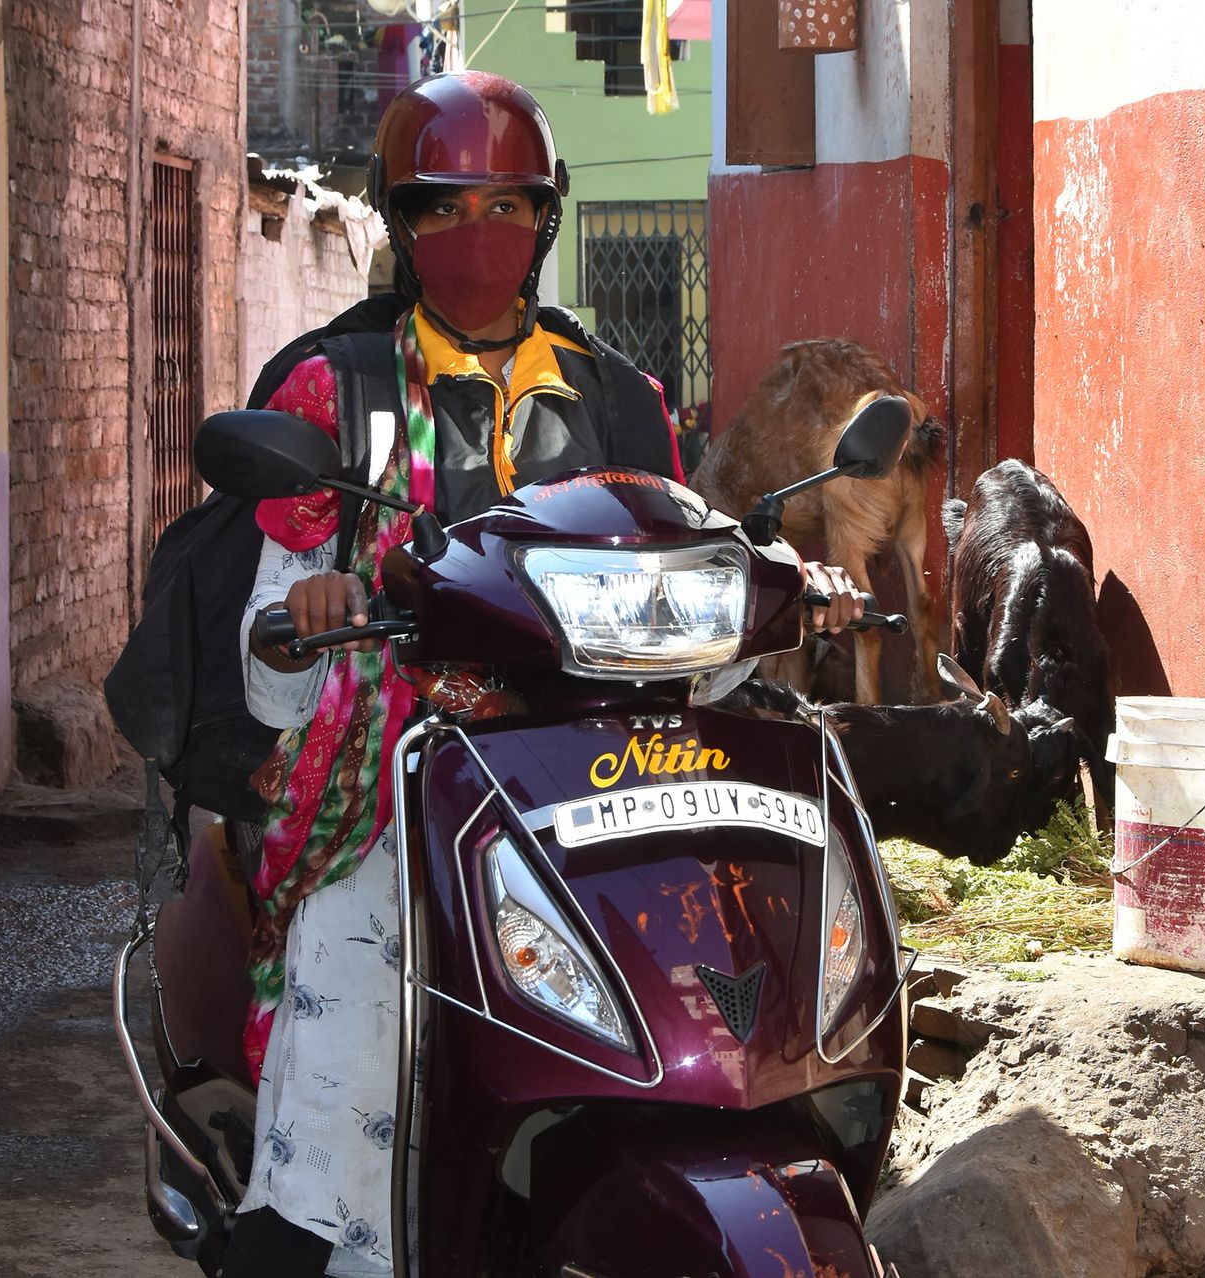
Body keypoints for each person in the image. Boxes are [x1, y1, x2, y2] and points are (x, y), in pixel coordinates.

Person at [222, 70, 865, 1278]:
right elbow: (270, 646)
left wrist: (772, 597)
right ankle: (318, 1234)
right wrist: (307, 607)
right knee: (359, 968)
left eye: (506, 206)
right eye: (439, 211)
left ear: (548, 216)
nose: (477, 237)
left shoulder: (623, 402)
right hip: (406, 774)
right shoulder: (339, 391)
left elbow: (689, 585)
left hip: (606, 770)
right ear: (400, 226)